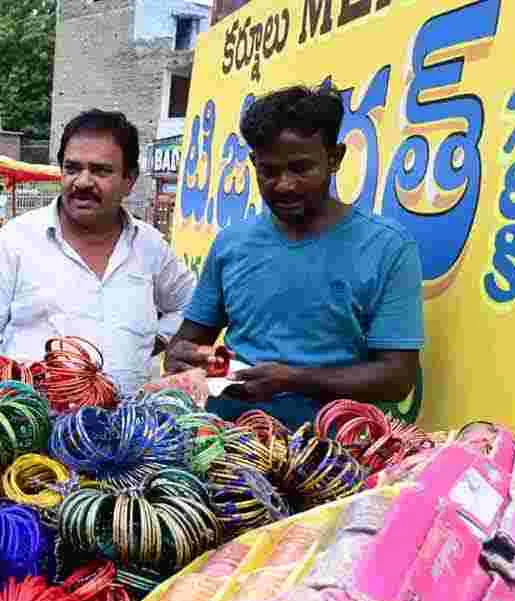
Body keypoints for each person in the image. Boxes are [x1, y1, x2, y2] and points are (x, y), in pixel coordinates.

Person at [166, 85, 423, 429]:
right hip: (228, 437)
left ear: (335, 158)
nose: (285, 185)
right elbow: (188, 343)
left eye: (301, 169)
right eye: (269, 171)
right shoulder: (231, 243)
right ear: (254, 164)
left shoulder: (388, 247)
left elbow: (397, 377)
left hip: (330, 444)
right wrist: (183, 356)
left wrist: (293, 380)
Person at [0, 109, 196, 395]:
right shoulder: (17, 239)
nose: (82, 182)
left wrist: (156, 338)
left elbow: (191, 305)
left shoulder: (150, 246)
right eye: (72, 168)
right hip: (32, 417)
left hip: (126, 418)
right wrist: (4, 389)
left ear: (129, 180)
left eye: (101, 170)